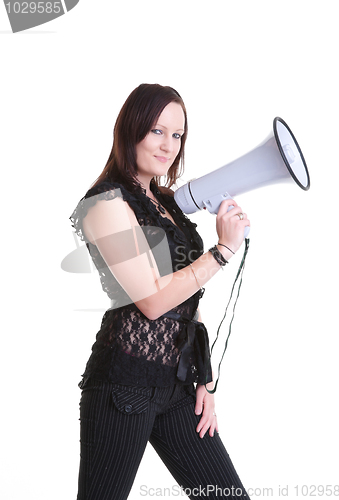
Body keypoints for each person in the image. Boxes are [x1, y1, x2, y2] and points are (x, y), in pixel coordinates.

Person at [69, 83, 251, 500]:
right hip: (123, 387)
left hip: (179, 388)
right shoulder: (105, 204)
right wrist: (222, 250)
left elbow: (189, 299)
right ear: (130, 129)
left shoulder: (166, 202)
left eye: (177, 134)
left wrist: (203, 379)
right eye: (157, 130)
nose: (169, 144)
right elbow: (152, 301)